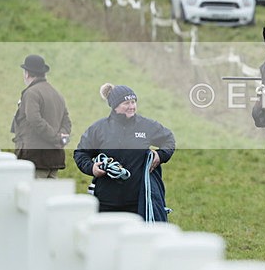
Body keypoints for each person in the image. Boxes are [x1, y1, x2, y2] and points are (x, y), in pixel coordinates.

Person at [74, 83, 175, 221]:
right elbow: (80, 153)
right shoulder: (99, 129)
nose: (131, 106)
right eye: (126, 103)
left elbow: (168, 139)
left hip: (138, 202)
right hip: (106, 202)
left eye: (133, 102)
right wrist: (92, 168)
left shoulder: (146, 125)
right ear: (115, 106)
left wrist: (160, 155)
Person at [11, 54, 72, 178]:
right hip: (54, 159)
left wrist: (55, 138)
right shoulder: (57, 94)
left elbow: (34, 120)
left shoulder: (31, 93)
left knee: (34, 196)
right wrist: (60, 138)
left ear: (27, 73)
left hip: (34, 159)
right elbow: (67, 123)